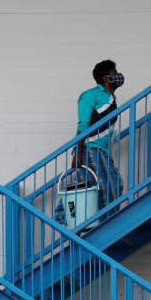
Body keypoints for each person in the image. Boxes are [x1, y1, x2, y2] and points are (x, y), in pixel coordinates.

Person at [55, 59, 125, 226]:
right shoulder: (90, 95)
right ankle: (100, 224)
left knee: (114, 185)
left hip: (102, 150)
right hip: (89, 148)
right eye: (114, 73)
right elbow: (83, 125)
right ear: (106, 78)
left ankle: (64, 215)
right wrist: (78, 153)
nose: (118, 76)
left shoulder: (110, 98)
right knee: (107, 188)